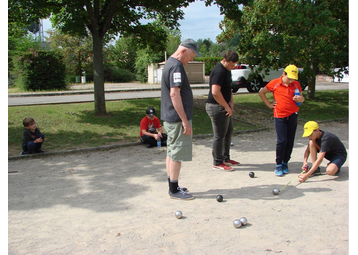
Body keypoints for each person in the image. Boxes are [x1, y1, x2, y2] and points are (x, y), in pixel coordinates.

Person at [161, 38, 202, 200]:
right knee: (177, 153)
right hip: (177, 118)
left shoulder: (169, 63)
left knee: (171, 151)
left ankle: (173, 183)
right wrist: (184, 120)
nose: (191, 60)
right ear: (183, 50)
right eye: (191, 56)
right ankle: (174, 190)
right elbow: (174, 93)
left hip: (170, 116)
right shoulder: (176, 66)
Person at [259, 64, 305, 176]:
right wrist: (269, 104)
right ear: (283, 74)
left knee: (290, 140)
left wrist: (301, 99)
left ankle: (285, 162)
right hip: (280, 116)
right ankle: (278, 164)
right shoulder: (275, 83)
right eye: (289, 78)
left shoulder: (296, 84)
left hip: (293, 114)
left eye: (293, 79)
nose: (290, 81)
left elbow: (301, 98)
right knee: (282, 140)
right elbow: (262, 92)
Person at [206, 50, 240, 171]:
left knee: (228, 132)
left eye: (234, 65)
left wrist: (231, 103)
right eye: (231, 64)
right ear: (224, 60)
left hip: (225, 106)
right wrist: (226, 106)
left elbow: (228, 89)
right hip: (216, 106)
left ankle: (226, 158)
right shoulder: (219, 71)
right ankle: (218, 162)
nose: (233, 67)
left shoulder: (227, 70)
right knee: (219, 135)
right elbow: (215, 92)